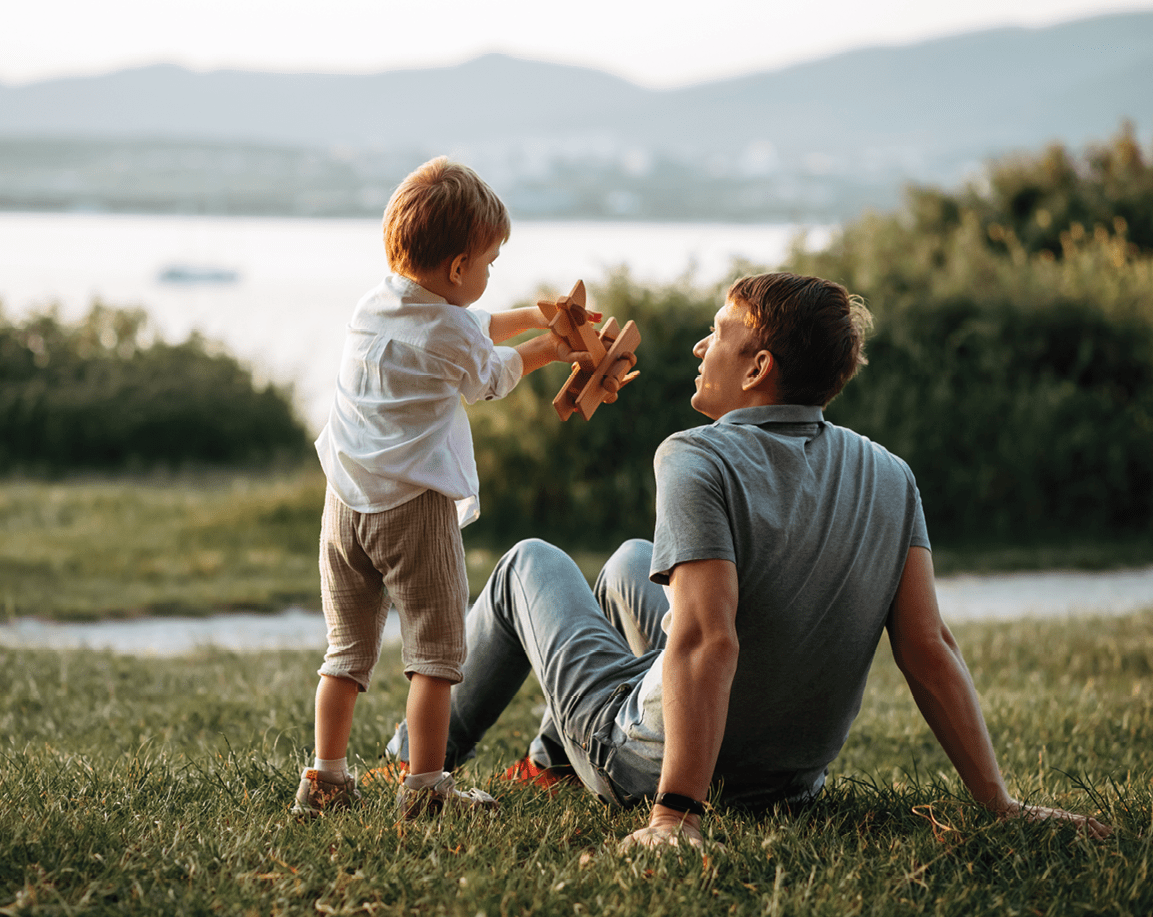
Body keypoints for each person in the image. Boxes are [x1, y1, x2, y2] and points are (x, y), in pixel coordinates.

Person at [383, 271, 1111, 846]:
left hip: (649, 764)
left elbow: (706, 638)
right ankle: (549, 763)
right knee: (632, 562)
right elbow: (927, 647)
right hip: (786, 784)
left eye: (717, 334)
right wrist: (1001, 806)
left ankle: (409, 760)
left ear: (758, 365)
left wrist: (674, 815)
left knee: (527, 564)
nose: (701, 348)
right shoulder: (890, 472)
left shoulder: (695, 455)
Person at [294, 156, 592, 819]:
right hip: (411, 509)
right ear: (459, 268)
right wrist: (550, 347)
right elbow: (486, 375)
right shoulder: (454, 327)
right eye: (488, 262)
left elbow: (467, 326)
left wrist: (533, 316)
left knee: (345, 652)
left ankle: (325, 779)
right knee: (434, 654)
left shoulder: (376, 303)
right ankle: (427, 786)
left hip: (343, 504)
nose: (489, 277)